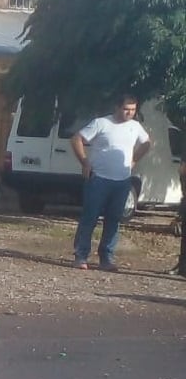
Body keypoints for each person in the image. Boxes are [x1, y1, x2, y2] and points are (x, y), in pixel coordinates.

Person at [70, 94, 151, 270]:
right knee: (90, 218)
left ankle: (106, 258)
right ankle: (81, 255)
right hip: (99, 179)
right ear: (117, 107)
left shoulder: (135, 126)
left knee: (114, 220)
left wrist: (135, 159)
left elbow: (146, 143)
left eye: (133, 110)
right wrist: (84, 162)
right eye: (126, 109)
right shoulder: (102, 123)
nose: (129, 113)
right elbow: (77, 139)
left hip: (122, 181)